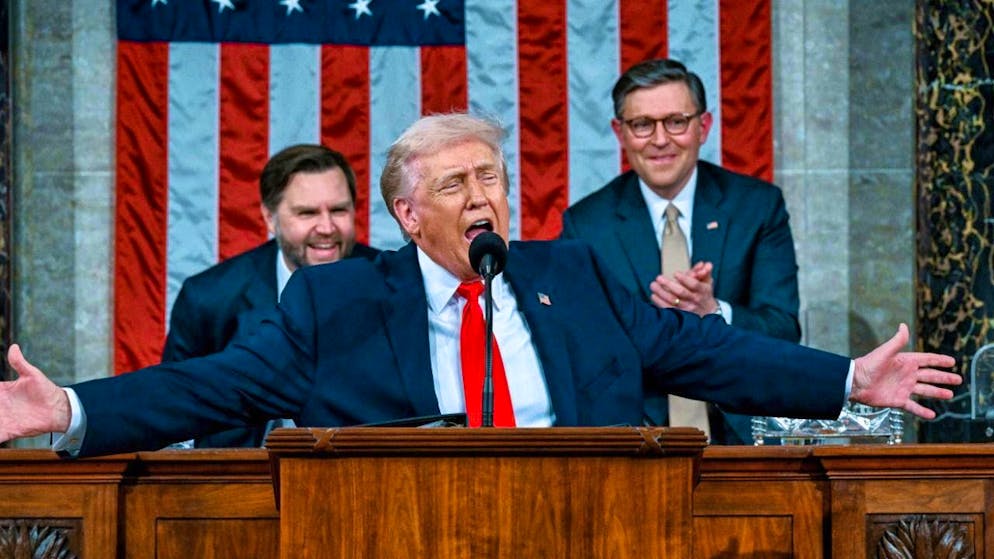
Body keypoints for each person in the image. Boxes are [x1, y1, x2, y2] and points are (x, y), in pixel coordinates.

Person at [0, 113, 959, 458]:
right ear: (409, 215)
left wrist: (843, 381)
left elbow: (706, 352)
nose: (482, 197)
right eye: (456, 184)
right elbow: (210, 385)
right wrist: (71, 409)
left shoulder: (572, 276)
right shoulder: (340, 301)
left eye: (493, 177)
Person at [561, 58, 798, 443]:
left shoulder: (756, 208)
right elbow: (577, 347)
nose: (659, 140)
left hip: (742, 437)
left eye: (676, 121)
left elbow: (784, 330)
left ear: (703, 127)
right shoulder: (586, 225)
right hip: (634, 439)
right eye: (642, 125)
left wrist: (713, 312)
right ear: (619, 132)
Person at [162, 144, 379, 448]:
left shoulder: (390, 284)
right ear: (269, 217)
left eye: (339, 210)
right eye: (307, 213)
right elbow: (175, 407)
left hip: (361, 475)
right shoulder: (209, 298)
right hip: (241, 478)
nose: (327, 227)